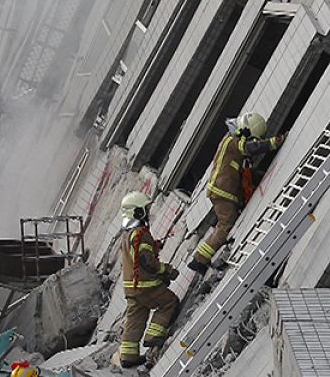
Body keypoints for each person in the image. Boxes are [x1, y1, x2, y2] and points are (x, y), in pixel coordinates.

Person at [187, 112, 282, 274]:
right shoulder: (233, 141)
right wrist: (274, 143)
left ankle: (201, 258)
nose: (254, 140)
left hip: (223, 190)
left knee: (223, 224)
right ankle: (199, 261)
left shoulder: (231, 140)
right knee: (225, 225)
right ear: (247, 131)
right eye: (253, 137)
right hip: (222, 191)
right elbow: (249, 148)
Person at [118, 191, 179, 368]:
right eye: (145, 209)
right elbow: (146, 261)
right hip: (145, 286)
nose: (148, 213)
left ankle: (128, 357)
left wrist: (153, 246)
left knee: (135, 319)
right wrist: (166, 270)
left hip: (131, 287)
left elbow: (137, 255)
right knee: (169, 302)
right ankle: (154, 336)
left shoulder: (127, 234)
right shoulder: (141, 233)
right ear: (137, 213)